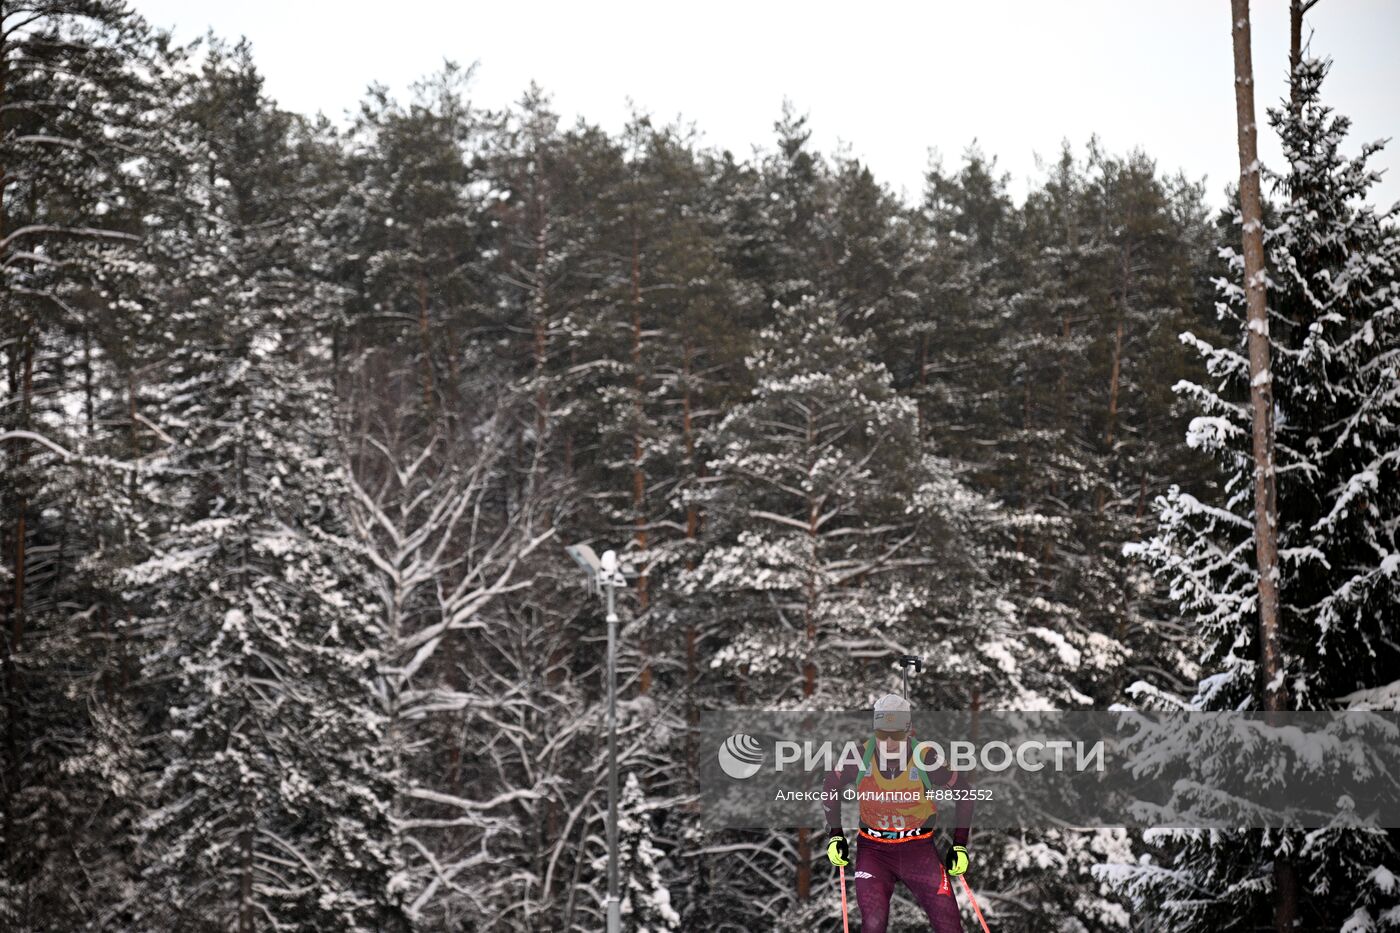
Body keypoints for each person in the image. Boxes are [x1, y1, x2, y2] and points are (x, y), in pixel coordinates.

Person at [822, 694, 973, 933]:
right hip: (874, 852)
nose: (889, 742)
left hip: (918, 851)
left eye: (896, 734)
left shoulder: (927, 758)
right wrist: (836, 835)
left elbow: (964, 792)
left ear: (909, 731)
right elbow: (831, 786)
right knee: (873, 923)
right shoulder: (859, 757)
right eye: (882, 734)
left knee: (949, 925)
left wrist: (960, 845)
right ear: (875, 731)